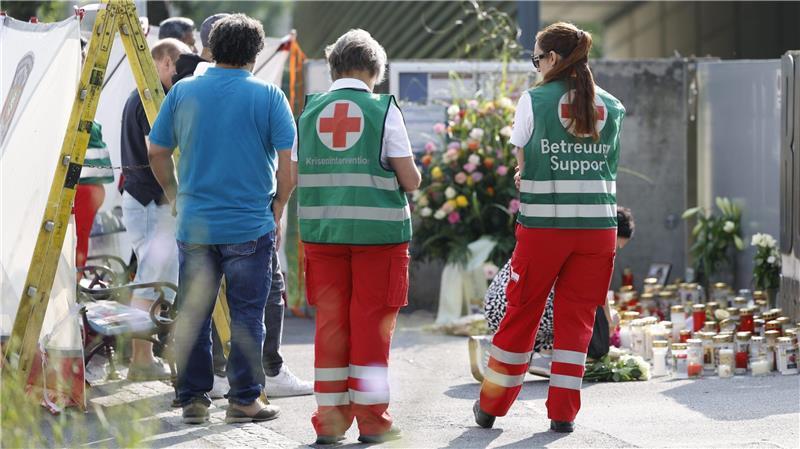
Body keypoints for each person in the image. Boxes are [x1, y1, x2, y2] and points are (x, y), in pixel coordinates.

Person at [473, 22, 626, 434]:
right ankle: (563, 413)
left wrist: (529, 175)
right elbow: (604, 167)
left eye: (537, 58)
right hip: (597, 231)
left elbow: (524, 165)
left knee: (522, 312)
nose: (536, 66)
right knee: (577, 320)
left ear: (553, 58)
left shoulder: (534, 101)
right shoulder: (612, 107)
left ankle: (491, 405)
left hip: (545, 229)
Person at [148, 14, 295, 425]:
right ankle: (244, 400)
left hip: (195, 223)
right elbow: (289, 167)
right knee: (248, 315)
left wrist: (175, 195)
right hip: (250, 224)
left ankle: (193, 399)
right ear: (255, 53)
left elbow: (156, 151)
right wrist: (279, 206)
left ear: (212, 47)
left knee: (194, 312)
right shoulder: (269, 96)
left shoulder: (183, 91)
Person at [295, 29, 421, 445]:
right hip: (378, 237)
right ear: (375, 70)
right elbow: (409, 179)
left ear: (333, 68)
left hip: (323, 236)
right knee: (371, 328)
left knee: (331, 327)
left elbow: (295, 171)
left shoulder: (309, 112)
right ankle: (373, 422)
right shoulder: (382, 110)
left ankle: (330, 422)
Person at [472, 207, 635, 379]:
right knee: (589, 313)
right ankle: (543, 357)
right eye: (616, 245)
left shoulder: (563, 228)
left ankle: (503, 348)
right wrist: (610, 319)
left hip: (497, 305)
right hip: (525, 307)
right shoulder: (591, 245)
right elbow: (598, 292)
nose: (614, 250)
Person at [120, 38, 190, 381]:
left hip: (148, 201)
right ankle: (141, 360)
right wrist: (176, 196)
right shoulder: (149, 100)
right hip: (150, 201)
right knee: (151, 281)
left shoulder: (147, 96)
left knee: (158, 280)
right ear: (164, 63)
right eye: (178, 65)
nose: (181, 73)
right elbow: (157, 152)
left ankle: (145, 357)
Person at [75, 38, 115, 270]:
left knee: (77, 243)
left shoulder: (78, 95)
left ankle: (75, 280)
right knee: (76, 243)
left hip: (84, 187)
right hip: (83, 187)